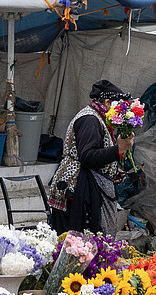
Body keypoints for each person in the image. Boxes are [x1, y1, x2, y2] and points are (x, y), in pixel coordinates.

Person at [48, 79, 134, 234]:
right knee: (78, 243)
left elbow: (96, 152)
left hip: (85, 185)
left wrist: (114, 169)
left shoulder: (97, 117)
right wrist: (118, 149)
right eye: (118, 107)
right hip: (77, 187)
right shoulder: (90, 120)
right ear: (108, 102)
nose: (121, 112)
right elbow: (87, 156)